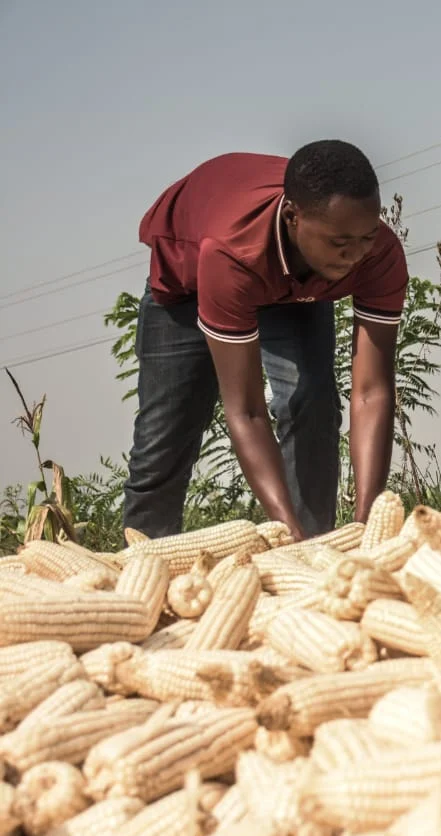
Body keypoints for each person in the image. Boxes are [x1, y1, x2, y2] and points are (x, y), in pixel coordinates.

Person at [121, 140, 407, 544]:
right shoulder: (231, 252)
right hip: (190, 288)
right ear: (292, 216)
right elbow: (248, 412)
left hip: (294, 282)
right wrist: (283, 531)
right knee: (165, 439)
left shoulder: (378, 253)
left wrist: (368, 527)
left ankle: (317, 545)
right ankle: (145, 562)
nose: (356, 256)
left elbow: (371, 392)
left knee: (313, 399)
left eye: (366, 238)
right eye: (341, 244)